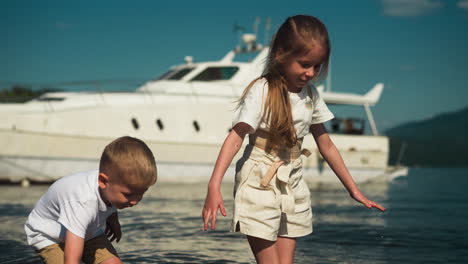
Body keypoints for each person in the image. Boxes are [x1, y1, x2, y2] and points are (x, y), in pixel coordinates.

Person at [202, 15, 385, 264]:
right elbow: (236, 138)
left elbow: (326, 144)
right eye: (304, 64)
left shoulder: (311, 95)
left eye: (317, 66)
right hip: (259, 178)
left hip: (293, 180)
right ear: (281, 55)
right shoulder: (262, 90)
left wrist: (353, 190)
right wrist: (214, 186)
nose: (310, 73)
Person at [25, 136, 157, 264]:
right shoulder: (82, 203)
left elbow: (109, 201)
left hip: (87, 230)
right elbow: (71, 261)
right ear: (103, 181)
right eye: (128, 195)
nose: (135, 201)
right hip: (49, 236)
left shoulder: (112, 184)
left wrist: (113, 219)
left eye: (141, 193)